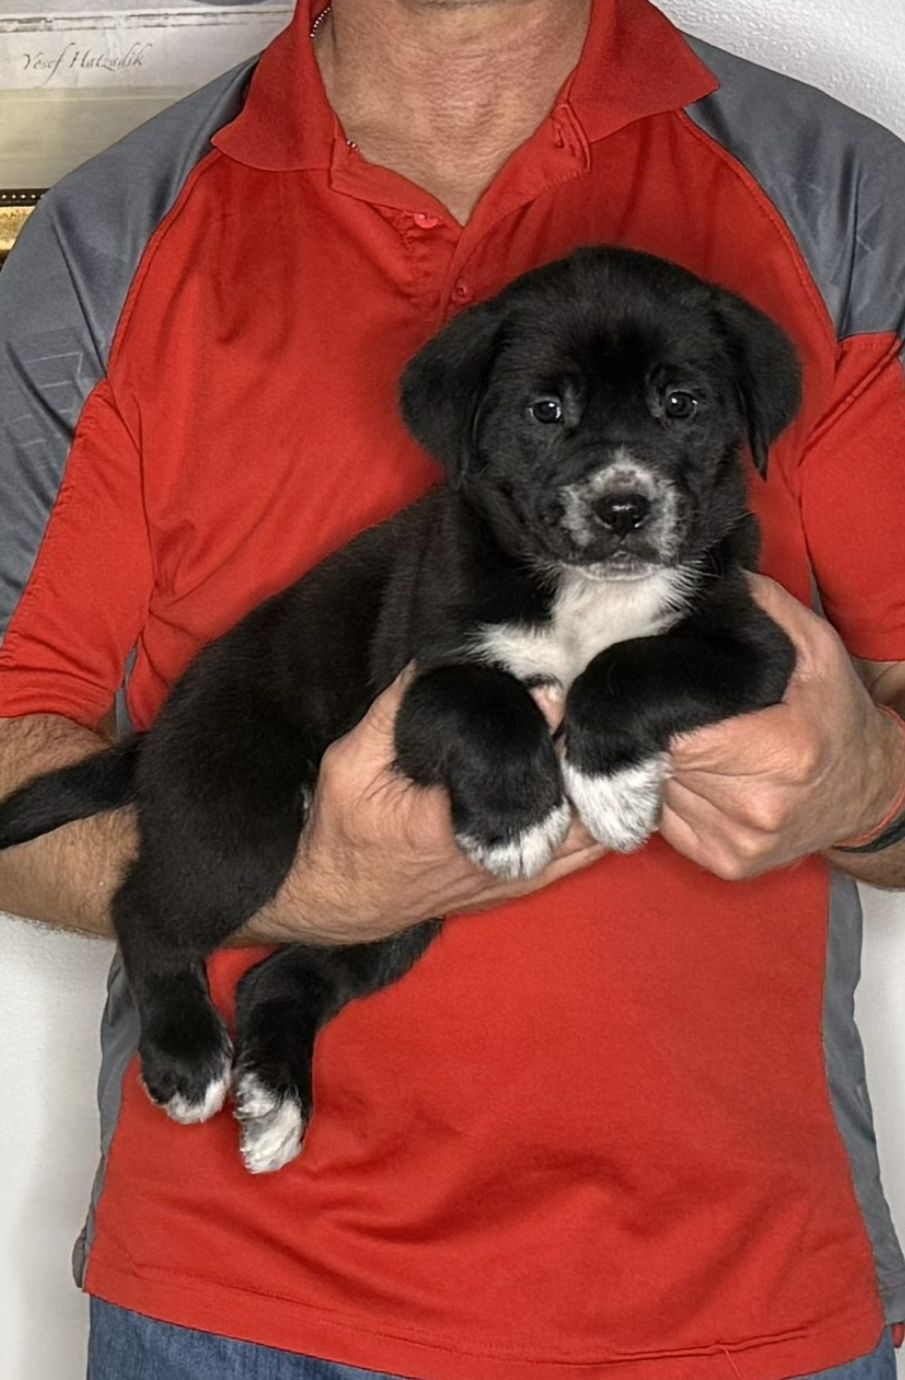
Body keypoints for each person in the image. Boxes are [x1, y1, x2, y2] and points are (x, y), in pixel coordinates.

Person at [1, 1, 904, 1376]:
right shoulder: (103, 243)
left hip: (733, 1303)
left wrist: (870, 786)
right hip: (238, 1308)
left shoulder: (839, 203)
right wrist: (295, 882)